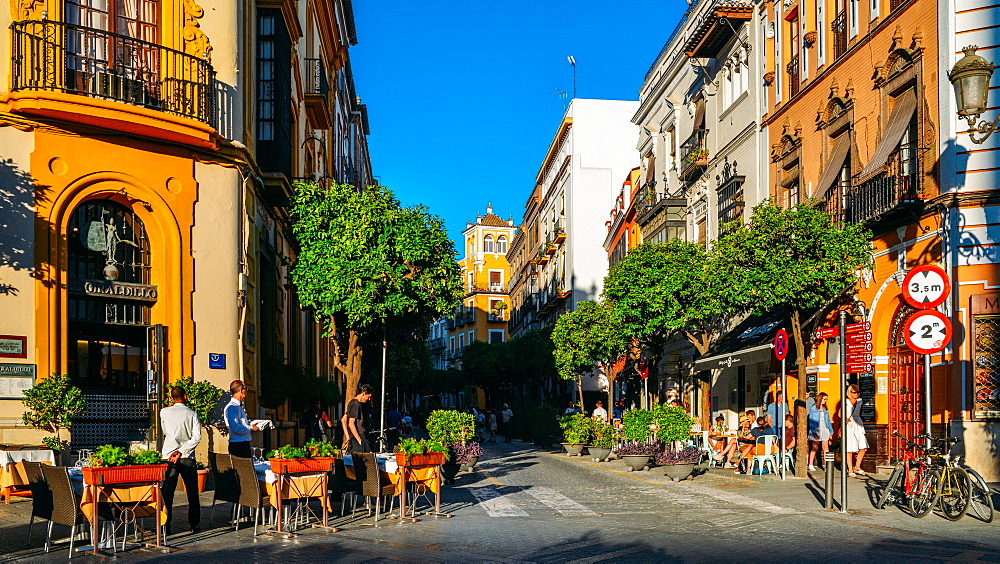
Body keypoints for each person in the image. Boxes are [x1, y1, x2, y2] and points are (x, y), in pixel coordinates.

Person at [160, 385, 202, 535]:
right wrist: (182, 450)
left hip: (168, 456)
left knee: (167, 492)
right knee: (192, 492)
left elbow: (165, 431)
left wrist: (175, 449)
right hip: (187, 457)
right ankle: (194, 524)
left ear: (171, 398)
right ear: (185, 396)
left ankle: (165, 525)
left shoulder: (163, 412)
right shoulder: (192, 414)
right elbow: (197, 437)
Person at [225, 380, 259, 458]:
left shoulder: (239, 406)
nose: (247, 391)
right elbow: (235, 427)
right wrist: (251, 428)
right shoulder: (232, 407)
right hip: (238, 445)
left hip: (243, 443)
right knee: (243, 469)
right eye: (246, 389)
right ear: (241, 391)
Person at [844, 384, 869, 476]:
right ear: (849, 392)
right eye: (854, 392)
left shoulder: (860, 401)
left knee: (863, 446)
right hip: (849, 424)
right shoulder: (845, 402)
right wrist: (844, 419)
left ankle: (857, 466)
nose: (857, 394)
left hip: (858, 423)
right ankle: (850, 469)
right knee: (849, 448)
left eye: (858, 392)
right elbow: (839, 414)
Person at [807, 391, 834, 471]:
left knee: (826, 448)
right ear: (820, 399)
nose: (825, 401)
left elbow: (828, 420)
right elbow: (811, 421)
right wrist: (814, 432)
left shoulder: (825, 409)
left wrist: (830, 430)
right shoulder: (813, 408)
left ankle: (826, 465)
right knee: (815, 447)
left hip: (824, 428)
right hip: (816, 428)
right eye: (824, 399)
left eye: (826, 399)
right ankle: (810, 464)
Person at [344, 384, 374, 453]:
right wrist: (359, 440)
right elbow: (351, 423)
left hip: (354, 437)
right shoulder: (356, 404)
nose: (369, 399)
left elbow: (344, 420)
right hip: (359, 435)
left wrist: (348, 435)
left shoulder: (352, 403)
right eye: (369, 397)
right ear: (363, 394)